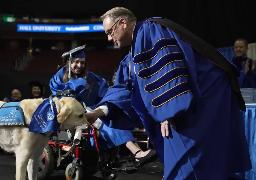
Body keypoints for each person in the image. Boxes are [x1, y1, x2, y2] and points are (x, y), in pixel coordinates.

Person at [86, 7, 251, 179]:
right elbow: (127, 88)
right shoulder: (134, 52)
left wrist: (168, 112)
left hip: (204, 97)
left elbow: (169, 67)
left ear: (123, 23)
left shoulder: (150, 30)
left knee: (189, 164)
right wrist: (97, 113)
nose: (109, 38)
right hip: (183, 106)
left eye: (110, 32)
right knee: (194, 164)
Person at [49, 45, 155, 164]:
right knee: (104, 122)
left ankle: (123, 155)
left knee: (112, 115)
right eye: (76, 62)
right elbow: (59, 97)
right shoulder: (58, 77)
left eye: (82, 63)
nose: (80, 66)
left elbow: (104, 89)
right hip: (70, 113)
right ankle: (137, 152)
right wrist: (77, 86)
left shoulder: (90, 77)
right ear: (69, 62)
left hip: (90, 110)